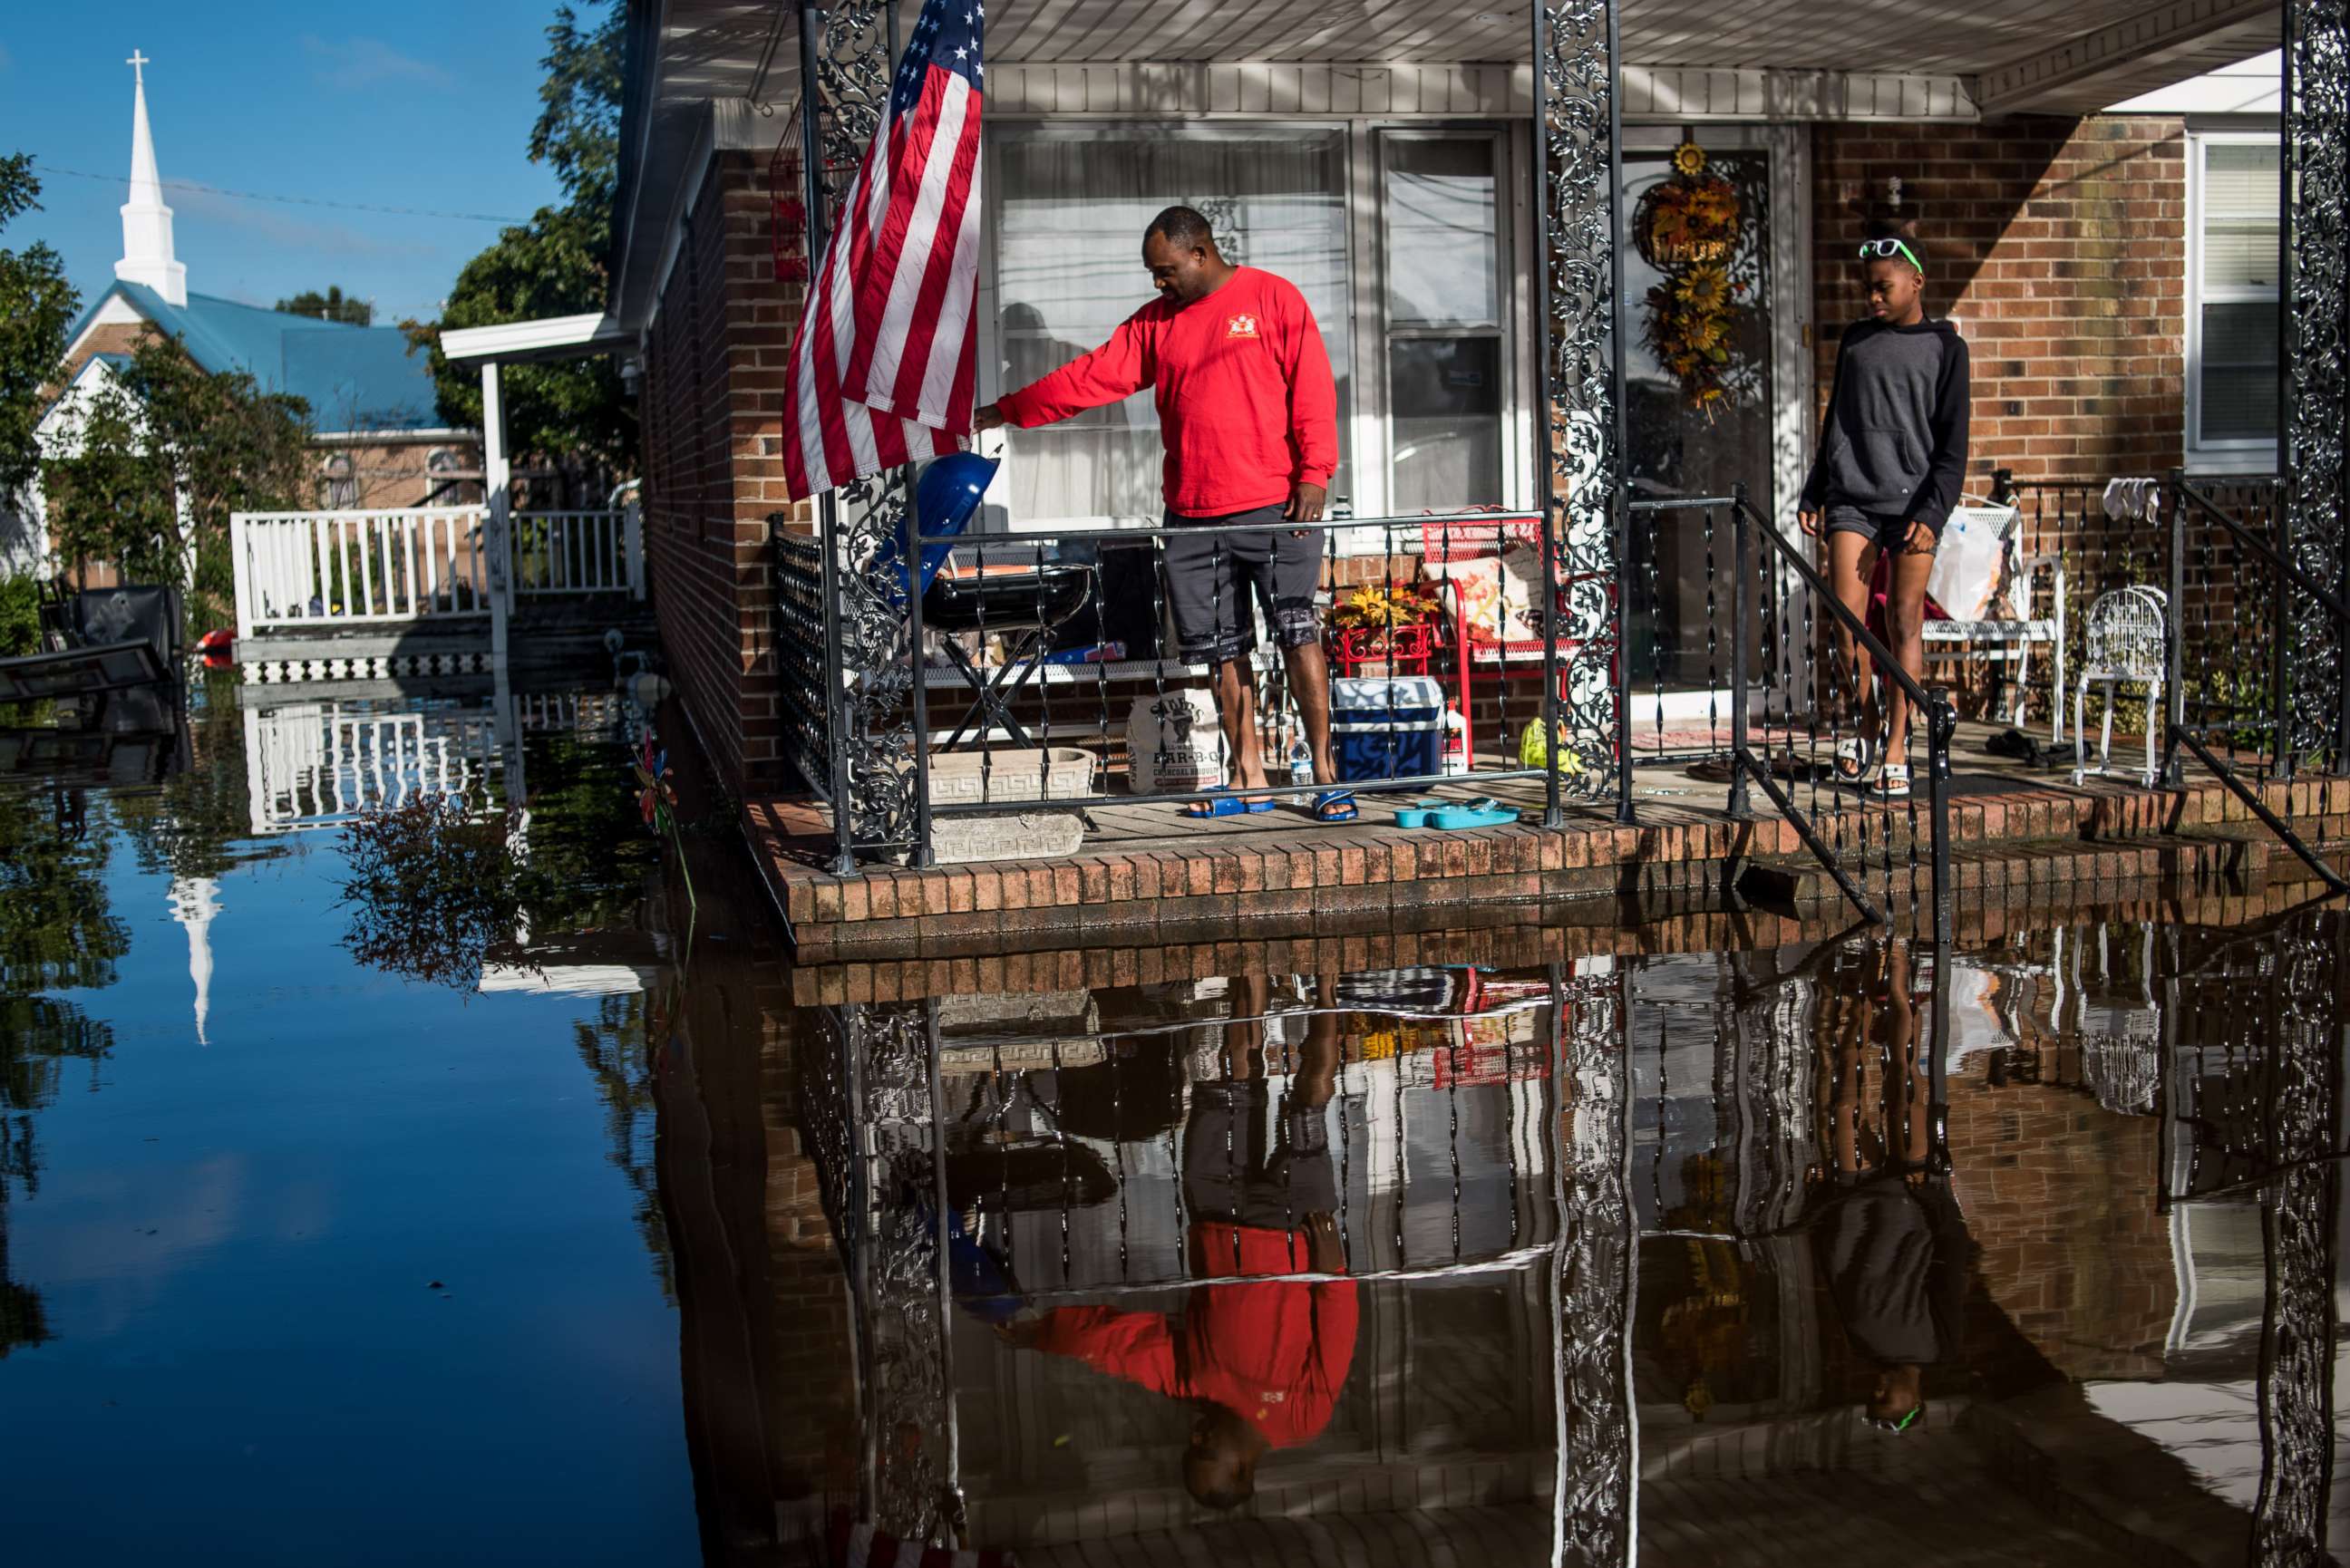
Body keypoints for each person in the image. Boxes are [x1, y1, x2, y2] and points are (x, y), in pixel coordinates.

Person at [976, 208, 1354, 822]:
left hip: (1274, 505)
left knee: (1297, 633)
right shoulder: (1156, 324)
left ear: (1200, 253)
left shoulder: (1272, 299)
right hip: (1192, 512)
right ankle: (1248, 777)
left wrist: (1315, 473)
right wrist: (1007, 410)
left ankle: (1326, 776)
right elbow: (1090, 377)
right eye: (1154, 273)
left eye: (1166, 271)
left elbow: (1312, 389)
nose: (1158, 283)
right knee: (1221, 651)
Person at [995, 973, 1359, 1511]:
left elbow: (1117, 1346)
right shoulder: (1303, 1419)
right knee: (1310, 1101)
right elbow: (1336, 1330)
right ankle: (1329, 985)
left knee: (1236, 1077)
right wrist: (1334, 1273)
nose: (1196, 1440)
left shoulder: (1190, 1384)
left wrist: (1043, 1334)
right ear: (1243, 1466)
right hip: (1296, 1228)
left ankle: (1249, 965)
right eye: (1205, 1454)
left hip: (1213, 1207)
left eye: (1191, 1451)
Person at [1797, 231, 1971, 801]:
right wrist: (1814, 490)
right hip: (1852, 498)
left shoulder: (1947, 347)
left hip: (1915, 507)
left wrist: (1934, 511)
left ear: (1916, 282)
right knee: (1848, 629)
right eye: (1866, 289)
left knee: (1903, 626)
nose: (1872, 298)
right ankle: (1865, 722)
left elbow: (1953, 447)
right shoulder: (1855, 341)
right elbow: (1835, 425)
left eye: (1883, 287)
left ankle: (1897, 746)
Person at [1809, 940, 1973, 1433]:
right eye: (1886, 1400)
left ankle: (1858, 988)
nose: (1876, 1390)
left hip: (1853, 1200)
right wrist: (1938, 1199)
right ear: (1914, 1399)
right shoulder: (1940, 1346)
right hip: (1914, 1197)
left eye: (1871, 1398)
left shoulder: (1862, 1347)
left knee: (1843, 1100)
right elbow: (1952, 1269)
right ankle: (1897, 965)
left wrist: (1823, 1206)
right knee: (1903, 1080)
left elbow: (1837, 1276)